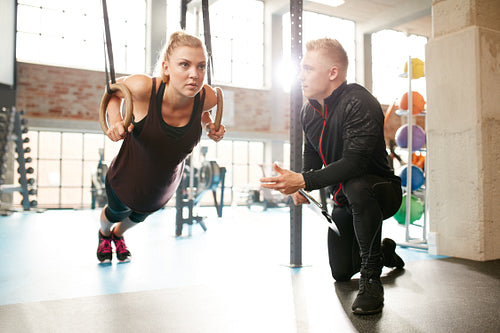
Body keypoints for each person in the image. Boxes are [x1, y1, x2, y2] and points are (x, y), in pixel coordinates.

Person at [260, 38, 404, 315]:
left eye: (308, 69)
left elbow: (355, 163)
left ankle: (371, 279)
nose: (300, 75)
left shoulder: (359, 101)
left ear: (333, 73)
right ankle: (384, 252)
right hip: (345, 200)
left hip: (380, 192)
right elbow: (311, 160)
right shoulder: (308, 111)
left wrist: (303, 181)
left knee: (357, 185)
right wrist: (300, 189)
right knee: (340, 273)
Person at [97, 31, 225, 263]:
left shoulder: (207, 97)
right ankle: (105, 233)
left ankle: (118, 235)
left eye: (201, 66)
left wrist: (209, 126)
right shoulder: (144, 88)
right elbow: (113, 92)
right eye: (184, 65)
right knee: (117, 213)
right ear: (166, 67)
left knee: (138, 218)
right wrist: (116, 121)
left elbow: (203, 112)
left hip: (162, 188)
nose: (194, 75)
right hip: (125, 180)